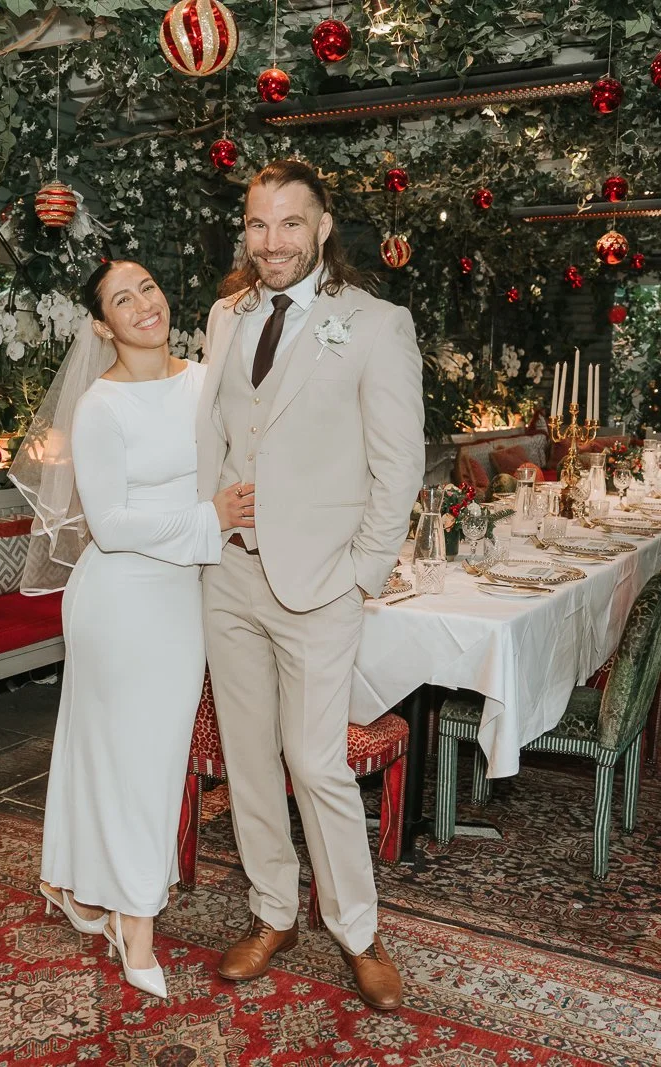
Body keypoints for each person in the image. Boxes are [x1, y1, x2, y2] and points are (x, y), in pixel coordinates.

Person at [195, 159, 425, 1011]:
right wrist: (202, 522)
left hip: (322, 581)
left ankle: (358, 932)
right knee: (248, 759)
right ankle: (271, 910)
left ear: (324, 227)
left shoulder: (375, 323)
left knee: (316, 761)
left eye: (290, 223)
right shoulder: (225, 316)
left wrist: (363, 573)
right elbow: (211, 434)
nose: (273, 241)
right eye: (258, 225)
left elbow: (398, 463)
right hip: (229, 573)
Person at [8, 259, 255, 999]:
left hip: (181, 598)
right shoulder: (100, 407)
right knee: (131, 762)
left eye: (147, 286)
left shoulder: (204, 379)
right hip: (116, 602)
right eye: (122, 298)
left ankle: (75, 883)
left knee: (134, 755)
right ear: (100, 324)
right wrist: (210, 517)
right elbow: (110, 527)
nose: (143, 304)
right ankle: (134, 921)